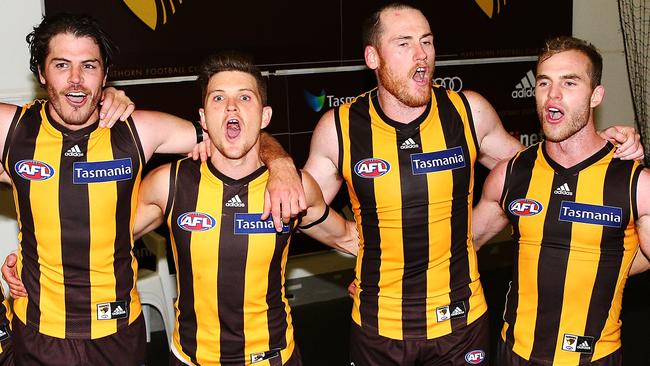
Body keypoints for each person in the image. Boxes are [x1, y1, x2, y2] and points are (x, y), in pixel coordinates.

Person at [301, 3, 643, 365]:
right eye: (404, 44)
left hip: (461, 325)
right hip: (379, 326)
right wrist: (353, 241)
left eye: (427, 42)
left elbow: (542, 173)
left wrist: (597, 146)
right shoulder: (339, 128)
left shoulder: (469, 112)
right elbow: (301, 203)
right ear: (372, 56)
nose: (422, 55)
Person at [0, 13, 300, 365]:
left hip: (117, 330)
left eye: (90, 66)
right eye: (62, 65)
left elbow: (233, 133)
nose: (76, 80)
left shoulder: (137, 130)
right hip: (38, 331)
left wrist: (280, 163)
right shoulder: (12, 128)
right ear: (41, 73)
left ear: (105, 74)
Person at [132, 51, 358, 365]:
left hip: (274, 358)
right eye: (218, 98)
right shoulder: (168, 184)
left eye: (245, 97)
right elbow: (105, 240)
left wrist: (379, 277)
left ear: (265, 117)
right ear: (202, 118)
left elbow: (348, 237)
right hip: (191, 359)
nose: (231, 107)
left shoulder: (296, 187)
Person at [472, 36, 650, 365]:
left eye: (569, 82)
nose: (553, 95)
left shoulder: (634, 183)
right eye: (544, 83)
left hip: (595, 358)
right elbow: (460, 246)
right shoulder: (510, 175)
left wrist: (608, 264)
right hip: (514, 354)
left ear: (596, 95)